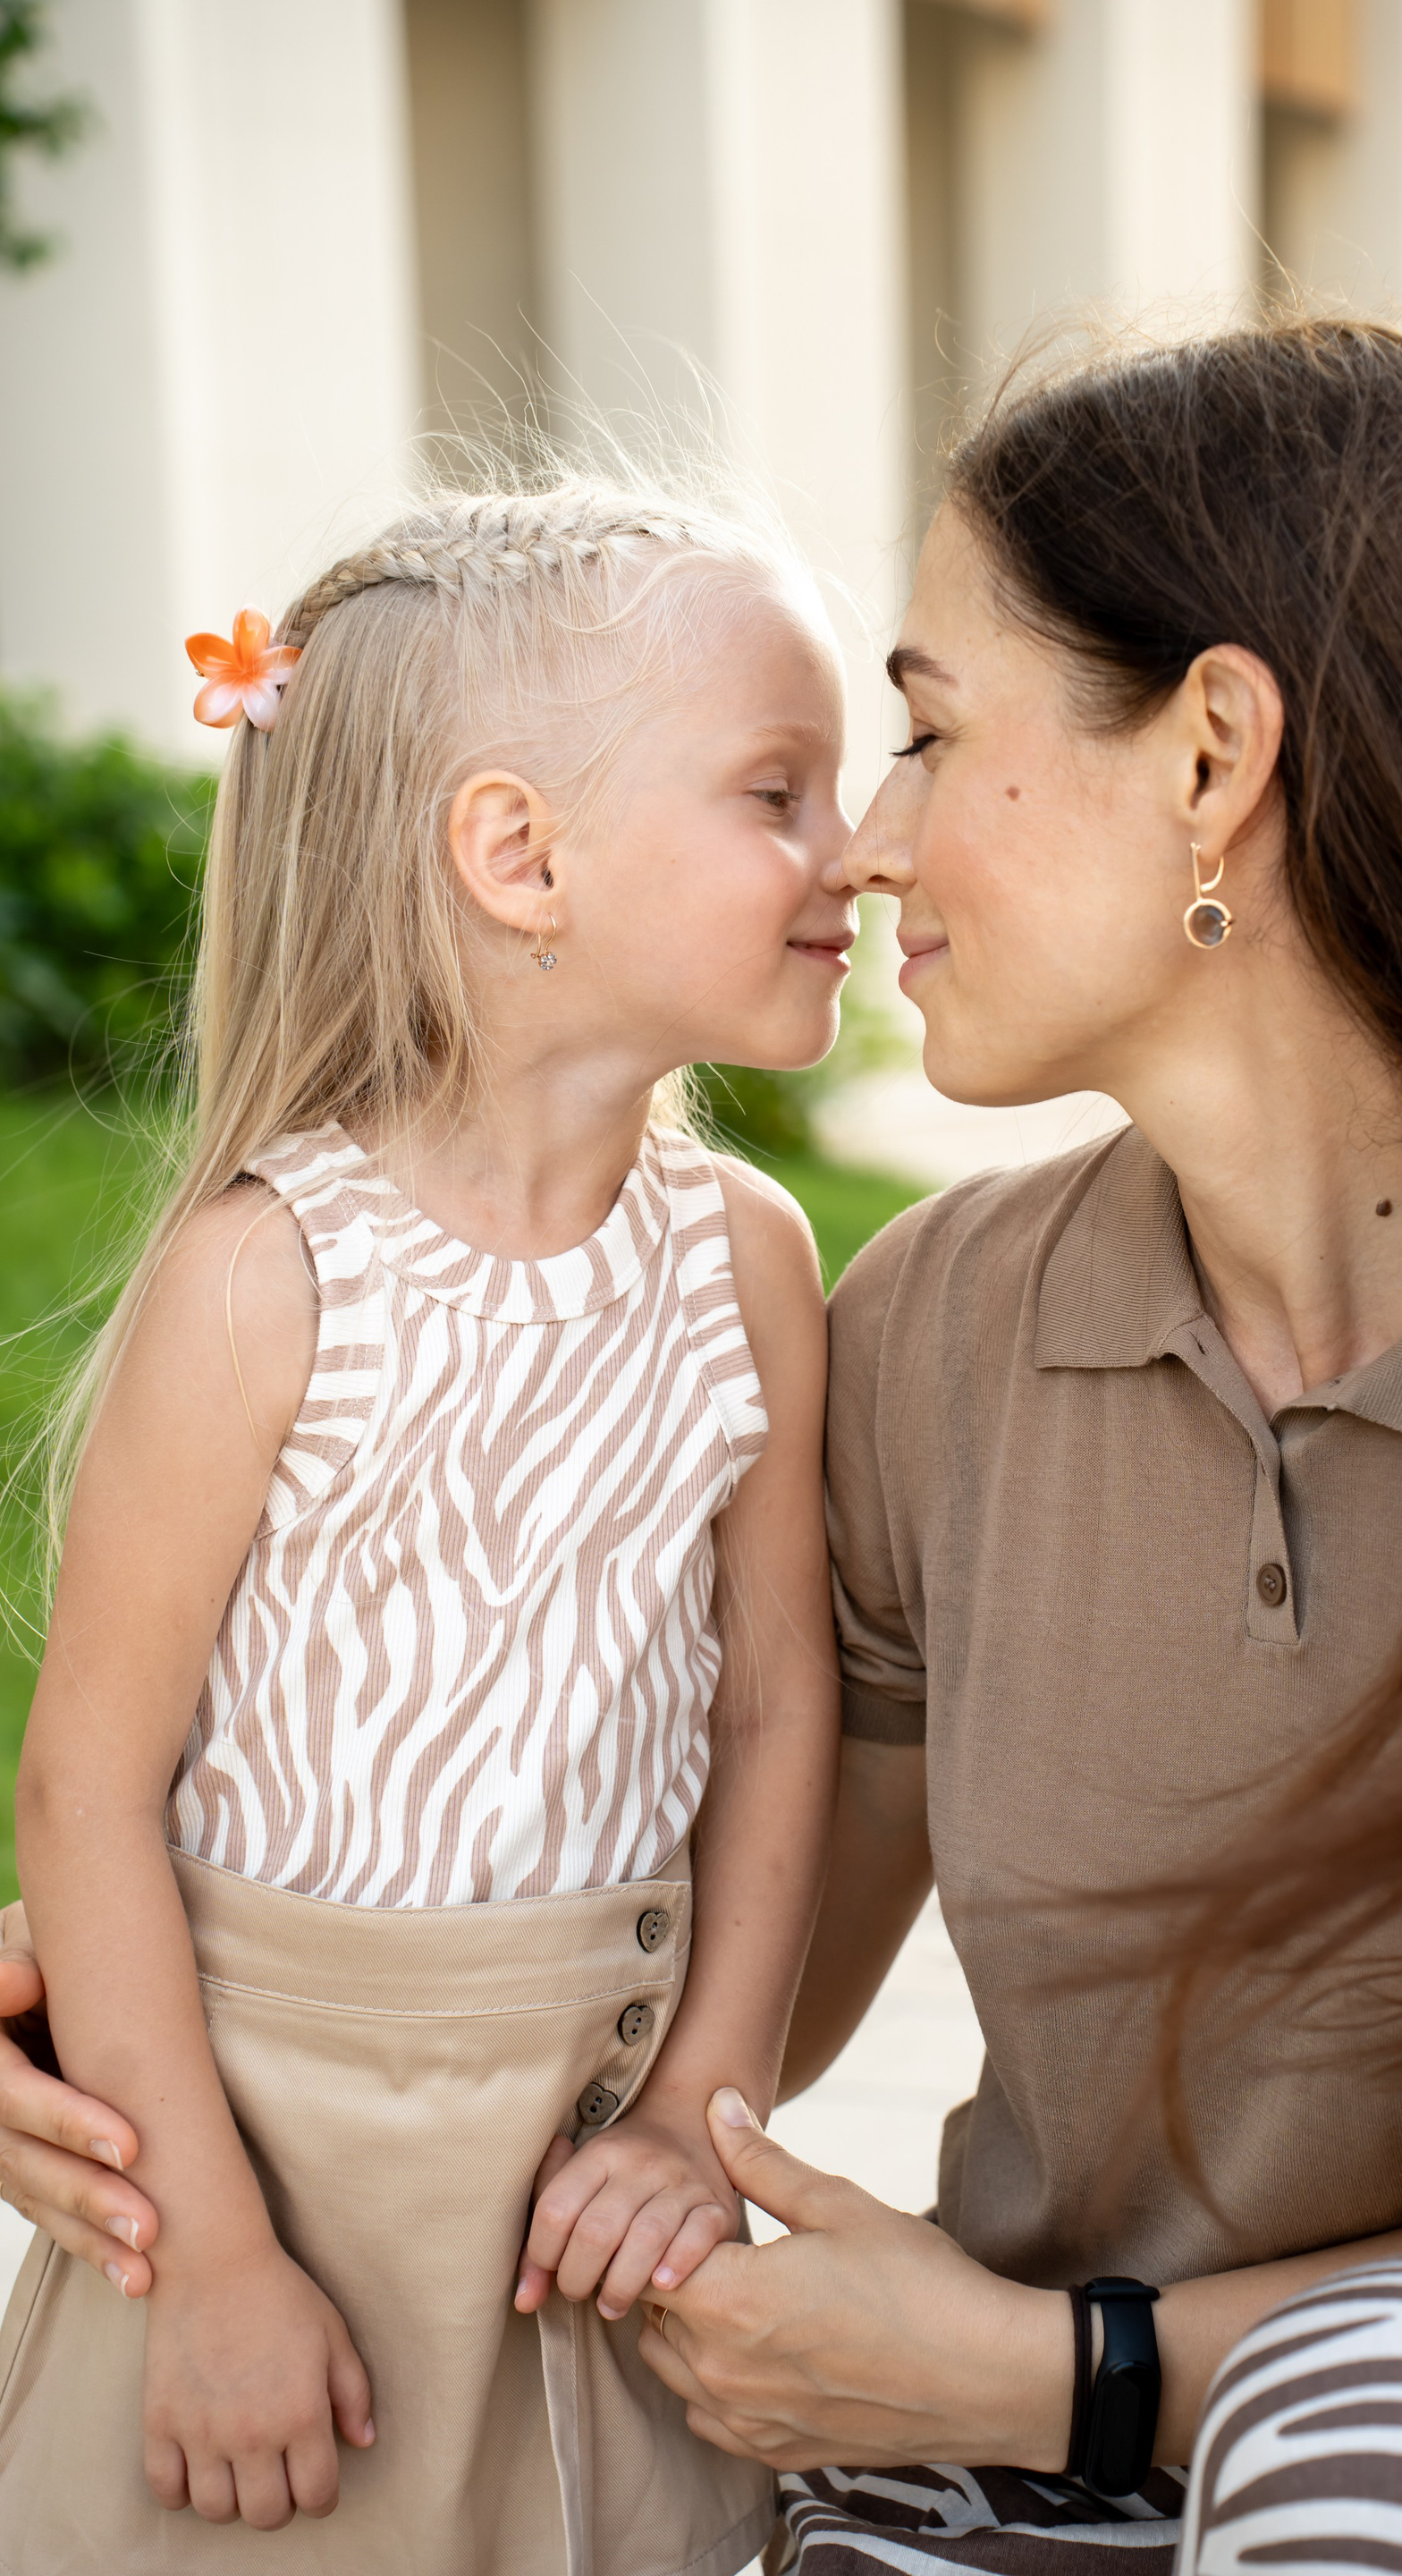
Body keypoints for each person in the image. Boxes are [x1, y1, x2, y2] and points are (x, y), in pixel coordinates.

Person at [9, 318, 1402, 2575]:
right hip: (1011, 2471)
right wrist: (150, 2021)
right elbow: (701, 1935)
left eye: (922, 734)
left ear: (1215, 759)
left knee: (1389, 2477)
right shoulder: (932, 1337)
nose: (875, 845)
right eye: (797, 780)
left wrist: (1069, 2371)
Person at [0, 477, 845, 2573]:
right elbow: (89, 1786)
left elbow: (773, 1709)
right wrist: (207, 2258)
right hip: (260, 2170)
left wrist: (699, 2112)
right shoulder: (269, 1282)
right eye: (780, 793)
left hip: (585, 2180)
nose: (854, 849)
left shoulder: (745, 1260)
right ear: (518, 854)